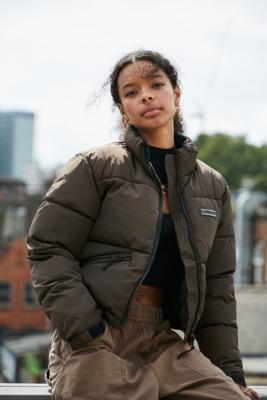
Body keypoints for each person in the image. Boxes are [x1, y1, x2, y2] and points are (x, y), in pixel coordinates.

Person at [27, 50, 260, 400]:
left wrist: (230, 375)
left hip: (163, 341)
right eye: (131, 92)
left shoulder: (213, 187)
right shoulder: (95, 167)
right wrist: (87, 332)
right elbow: (47, 248)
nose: (146, 95)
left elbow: (216, 287)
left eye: (156, 84)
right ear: (124, 109)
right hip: (98, 340)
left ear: (176, 94)